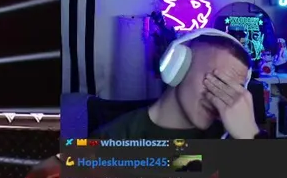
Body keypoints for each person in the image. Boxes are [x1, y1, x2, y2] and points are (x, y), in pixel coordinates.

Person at [97, 29, 257, 139]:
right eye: (216, 82)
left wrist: (250, 137)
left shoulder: (233, 137)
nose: (218, 99)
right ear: (178, 66)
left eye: (230, 91)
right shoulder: (112, 139)